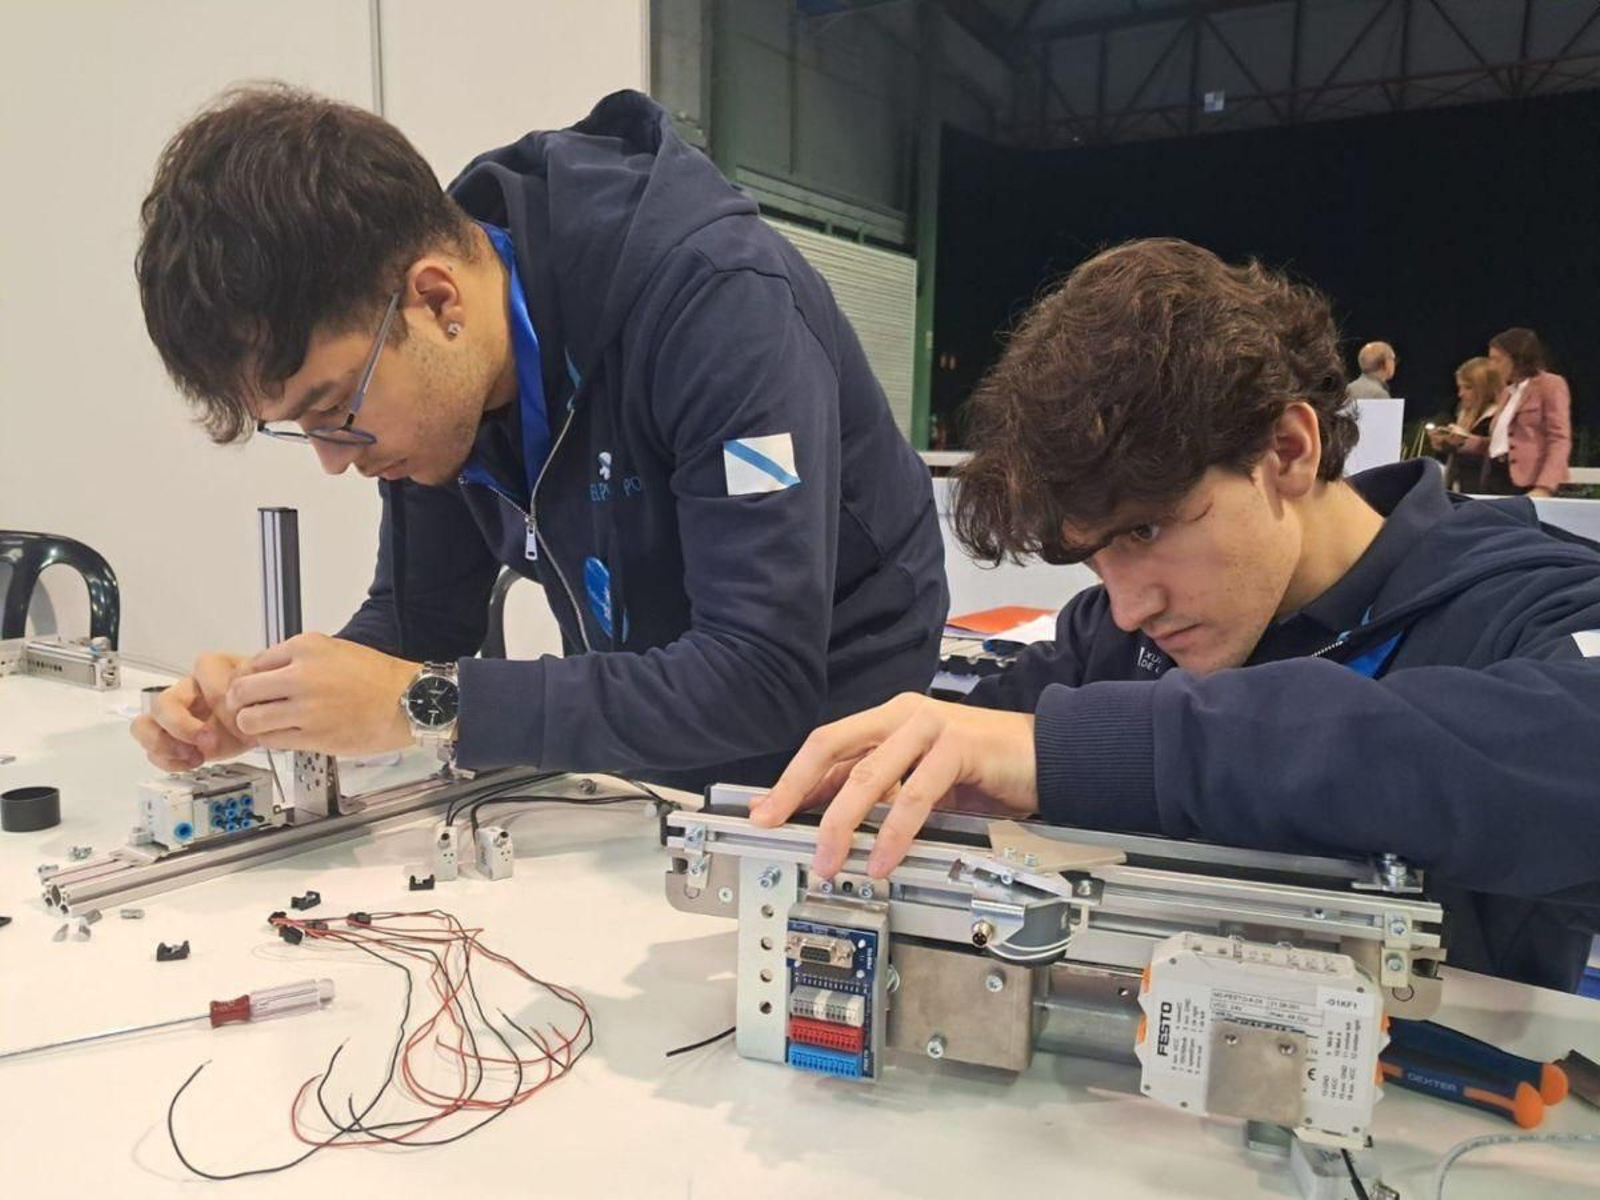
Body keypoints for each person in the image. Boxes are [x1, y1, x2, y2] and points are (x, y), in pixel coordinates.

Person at [752, 239, 1600, 992]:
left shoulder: (1523, 598)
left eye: (1148, 530)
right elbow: (964, 766)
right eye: (1096, 557)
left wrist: (1095, 752)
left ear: (1288, 450)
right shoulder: (1113, 635)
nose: (1128, 602)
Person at [129, 85, 948, 789]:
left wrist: (425, 705)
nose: (337, 460)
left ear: (437, 301)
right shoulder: (440, 382)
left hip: (831, 750)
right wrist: (278, 702)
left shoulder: (717, 302)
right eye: (302, 430)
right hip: (650, 759)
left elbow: (759, 676)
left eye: (336, 406)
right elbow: (421, 626)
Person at [1459, 327, 1571, 497]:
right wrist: (1461, 441)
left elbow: (1559, 439)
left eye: (1497, 360)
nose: (1492, 366)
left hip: (1527, 483)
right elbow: (1500, 444)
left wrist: (1544, 487)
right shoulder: (1508, 392)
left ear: (1517, 359)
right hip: (1494, 478)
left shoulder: (1550, 385)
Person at [1428, 356, 1501, 492]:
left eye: (1468, 388)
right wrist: (1445, 445)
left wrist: (1463, 441)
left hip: (1484, 494)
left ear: (1485, 388)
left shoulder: (1495, 419)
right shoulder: (1463, 416)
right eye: (1460, 387)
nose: (1460, 394)